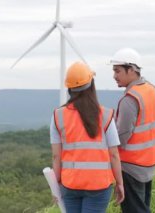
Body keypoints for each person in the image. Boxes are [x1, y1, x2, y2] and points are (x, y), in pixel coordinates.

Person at [50, 61, 124, 213]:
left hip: (70, 184)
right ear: (91, 85)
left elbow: (56, 156)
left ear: (69, 88)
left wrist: (55, 186)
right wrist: (120, 183)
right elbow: (114, 155)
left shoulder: (58, 116)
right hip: (99, 185)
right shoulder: (106, 115)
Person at [108, 48, 155, 213]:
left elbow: (120, 137)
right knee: (143, 208)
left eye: (117, 71)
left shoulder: (130, 99)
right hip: (148, 163)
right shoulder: (150, 89)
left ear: (132, 70)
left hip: (131, 167)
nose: (114, 76)